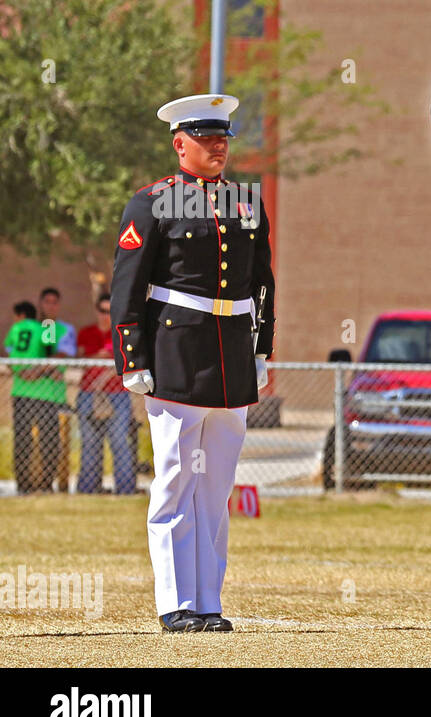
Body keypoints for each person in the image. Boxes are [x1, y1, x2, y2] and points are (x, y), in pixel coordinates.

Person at [111, 93, 275, 633]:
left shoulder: (246, 201)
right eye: (206, 140)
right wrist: (131, 354)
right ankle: (176, 602)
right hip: (176, 353)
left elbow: (262, 282)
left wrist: (260, 349)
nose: (217, 148)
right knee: (177, 478)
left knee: (216, 486)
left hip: (231, 353)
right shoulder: (152, 201)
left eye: (223, 139)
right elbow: (128, 284)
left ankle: (208, 601)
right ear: (180, 144)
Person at [4, 299, 72, 492]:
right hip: (45, 393)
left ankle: (23, 485)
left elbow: (8, 351)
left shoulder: (17, 328)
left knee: (22, 440)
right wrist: (40, 371)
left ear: (20, 315)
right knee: (48, 441)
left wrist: (20, 371)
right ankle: (45, 485)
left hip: (21, 391)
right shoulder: (47, 327)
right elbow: (51, 354)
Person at [76, 293, 136, 495]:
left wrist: (109, 361)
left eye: (109, 311)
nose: (105, 315)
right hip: (88, 393)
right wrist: (100, 356)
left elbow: (129, 359)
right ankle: (88, 488)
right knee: (90, 442)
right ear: (96, 311)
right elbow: (80, 358)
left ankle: (125, 489)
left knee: (119, 442)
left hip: (118, 394)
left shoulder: (121, 333)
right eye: (102, 311)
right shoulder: (86, 332)